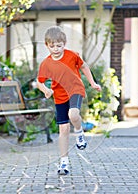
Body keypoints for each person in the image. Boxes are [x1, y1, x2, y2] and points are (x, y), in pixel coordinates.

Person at [37, 26, 101, 175]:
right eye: (52, 46)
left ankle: (79, 133)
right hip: (59, 96)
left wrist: (92, 83)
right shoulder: (46, 64)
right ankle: (63, 162)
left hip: (75, 89)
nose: (56, 49)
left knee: (73, 114)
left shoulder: (72, 55)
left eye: (59, 46)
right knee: (63, 129)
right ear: (47, 46)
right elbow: (40, 82)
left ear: (64, 44)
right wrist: (46, 90)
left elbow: (84, 66)